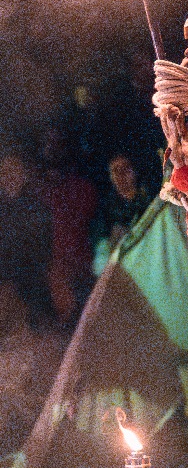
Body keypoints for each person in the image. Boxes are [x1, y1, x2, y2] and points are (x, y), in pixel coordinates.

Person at [38, 128, 98, 323]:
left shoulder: (82, 188)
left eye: (56, 145)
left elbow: (92, 225)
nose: (52, 151)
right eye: (48, 145)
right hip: (60, 271)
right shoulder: (43, 194)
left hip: (84, 266)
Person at [0, 151, 51, 324]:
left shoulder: (36, 207)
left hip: (30, 287)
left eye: (14, 171)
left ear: (23, 175)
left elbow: (42, 252)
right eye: (5, 172)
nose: (9, 177)